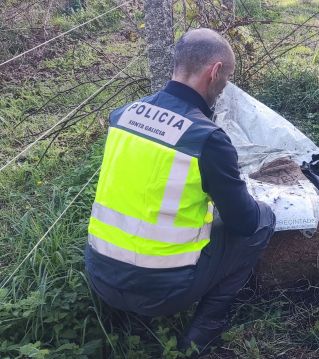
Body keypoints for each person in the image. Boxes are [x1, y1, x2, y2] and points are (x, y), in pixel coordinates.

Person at [84, 28, 275, 352]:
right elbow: (244, 222)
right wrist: (256, 203)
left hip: (100, 275)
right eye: (226, 79)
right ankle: (202, 334)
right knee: (262, 223)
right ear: (215, 72)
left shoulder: (123, 115)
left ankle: (123, 318)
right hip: (160, 292)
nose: (223, 88)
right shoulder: (207, 138)